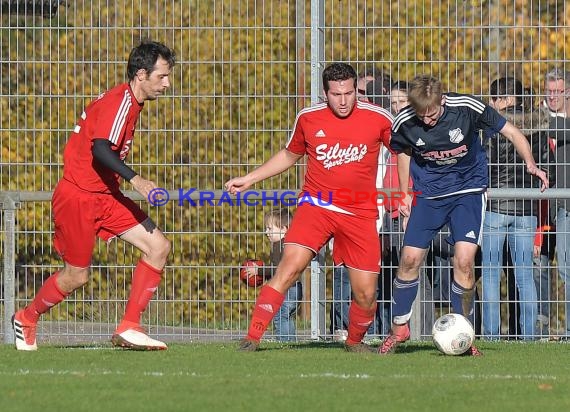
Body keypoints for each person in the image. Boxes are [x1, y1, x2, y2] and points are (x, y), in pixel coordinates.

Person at [12, 40, 176, 351]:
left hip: (105, 195)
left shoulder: (131, 103)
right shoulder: (120, 102)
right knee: (77, 276)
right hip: (78, 197)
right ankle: (26, 317)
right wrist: (138, 181)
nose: (167, 84)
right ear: (141, 74)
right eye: (162, 76)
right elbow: (101, 149)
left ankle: (130, 326)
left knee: (158, 246)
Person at [225, 62, 393, 352]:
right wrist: (250, 178)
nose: (343, 101)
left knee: (366, 294)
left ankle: (354, 343)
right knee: (288, 268)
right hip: (316, 206)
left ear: (356, 91)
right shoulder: (309, 117)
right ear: (325, 93)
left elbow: (403, 152)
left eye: (349, 93)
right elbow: (289, 155)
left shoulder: (379, 117)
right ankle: (252, 338)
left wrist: (405, 193)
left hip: (359, 212)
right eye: (336, 94)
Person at [380, 74, 549, 355]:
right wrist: (405, 193)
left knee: (465, 261)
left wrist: (531, 164)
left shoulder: (468, 107)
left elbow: (513, 132)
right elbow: (404, 152)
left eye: (432, 114)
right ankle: (400, 328)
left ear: (442, 101)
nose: (427, 121)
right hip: (429, 196)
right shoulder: (405, 121)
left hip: (467, 192)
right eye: (422, 116)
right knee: (409, 260)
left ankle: (464, 334)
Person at [481, 77, 553, 340]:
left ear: (503, 99)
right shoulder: (538, 125)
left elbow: (483, 163)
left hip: (496, 205)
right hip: (526, 209)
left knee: (490, 275)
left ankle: (490, 336)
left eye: (493, 99)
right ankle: (529, 336)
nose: (490, 104)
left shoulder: (491, 125)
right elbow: (548, 166)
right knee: (524, 277)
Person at [243, 208, 302, 342]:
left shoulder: (280, 246)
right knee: (287, 316)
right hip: (295, 287)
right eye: (266, 228)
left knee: (281, 315)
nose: (266, 232)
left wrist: (258, 271)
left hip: (288, 288)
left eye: (270, 228)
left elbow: (277, 269)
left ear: (284, 229)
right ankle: (290, 342)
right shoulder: (287, 245)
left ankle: (284, 341)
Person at [544, 67, 570, 338]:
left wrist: (539, 121)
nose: (552, 96)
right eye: (549, 91)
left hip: (567, 204)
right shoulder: (543, 117)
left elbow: (555, 128)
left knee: (567, 267)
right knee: (560, 268)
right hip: (551, 207)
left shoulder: (552, 121)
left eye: (558, 91)